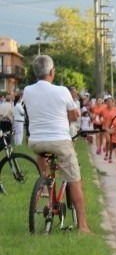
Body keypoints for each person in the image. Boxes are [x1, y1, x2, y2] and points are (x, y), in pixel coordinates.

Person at [22, 55, 89, 233]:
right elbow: (74, 115)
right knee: (75, 180)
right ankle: (83, 226)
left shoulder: (27, 90)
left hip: (36, 142)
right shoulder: (62, 91)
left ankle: (46, 181)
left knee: (44, 153)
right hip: (59, 141)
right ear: (52, 72)